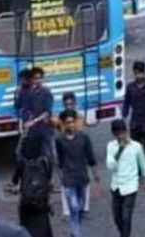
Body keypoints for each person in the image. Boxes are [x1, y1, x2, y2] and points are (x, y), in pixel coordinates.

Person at [55, 109, 99, 237]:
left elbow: (90, 156)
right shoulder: (59, 140)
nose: (71, 125)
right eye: (68, 123)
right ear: (63, 124)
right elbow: (59, 159)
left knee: (79, 208)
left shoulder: (84, 138)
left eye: (72, 122)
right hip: (68, 179)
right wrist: (61, 176)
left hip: (82, 177)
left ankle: (75, 231)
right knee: (73, 207)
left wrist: (95, 174)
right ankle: (77, 233)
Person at [107, 119, 145, 237]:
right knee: (117, 217)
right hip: (116, 186)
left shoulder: (136, 146)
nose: (122, 136)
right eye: (118, 134)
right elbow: (110, 166)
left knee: (126, 217)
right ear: (114, 134)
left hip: (131, 187)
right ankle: (124, 233)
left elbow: (143, 163)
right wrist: (120, 150)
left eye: (123, 133)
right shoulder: (111, 146)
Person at [9, 135, 53, 237]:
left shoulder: (22, 163)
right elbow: (48, 178)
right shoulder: (45, 162)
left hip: (26, 203)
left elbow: (14, 180)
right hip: (42, 202)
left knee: (26, 225)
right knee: (44, 224)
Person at [54, 92, 88, 221]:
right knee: (65, 184)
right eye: (66, 104)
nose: (69, 106)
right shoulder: (61, 118)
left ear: (75, 103)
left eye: (71, 104)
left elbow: (78, 132)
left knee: (84, 183)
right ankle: (67, 211)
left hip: (79, 154)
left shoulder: (79, 118)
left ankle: (83, 209)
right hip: (66, 157)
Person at [19, 68, 55, 168]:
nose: (37, 81)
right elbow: (26, 109)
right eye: (35, 78)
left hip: (44, 128)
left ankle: (50, 178)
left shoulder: (47, 93)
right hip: (33, 129)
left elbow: (47, 112)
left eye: (40, 78)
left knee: (48, 154)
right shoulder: (30, 93)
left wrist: (34, 121)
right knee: (31, 154)